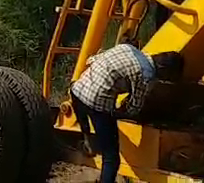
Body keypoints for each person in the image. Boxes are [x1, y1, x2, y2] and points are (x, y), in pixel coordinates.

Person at [70, 43, 186, 183]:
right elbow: (134, 108)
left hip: (77, 90)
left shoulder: (127, 48)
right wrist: (122, 113)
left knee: (85, 113)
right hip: (97, 103)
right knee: (112, 158)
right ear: (163, 69)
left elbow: (92, 60)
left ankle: (87, 138)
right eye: (167, 77)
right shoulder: (146, 74)